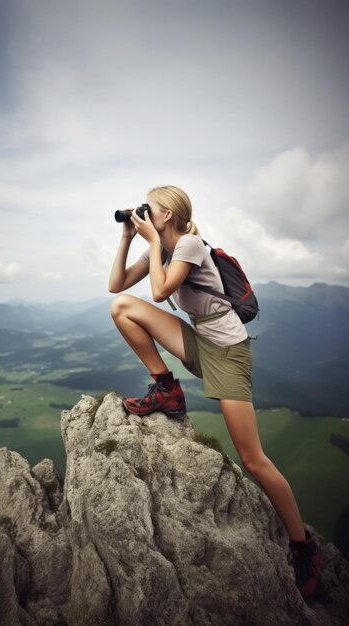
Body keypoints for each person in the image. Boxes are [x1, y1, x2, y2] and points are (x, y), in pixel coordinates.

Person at [108, 185, 321, 598]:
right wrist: (127, 238)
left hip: (228, 352)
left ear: (167, 214)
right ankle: (166, 388)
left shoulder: (187, 245)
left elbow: (160, 291)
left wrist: (153, 245)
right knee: (121, 309)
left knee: (252, 458)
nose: (142, 212)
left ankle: (304, 546)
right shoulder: (163, 247)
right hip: (200, 338)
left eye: (148, 208)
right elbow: (117, 287)